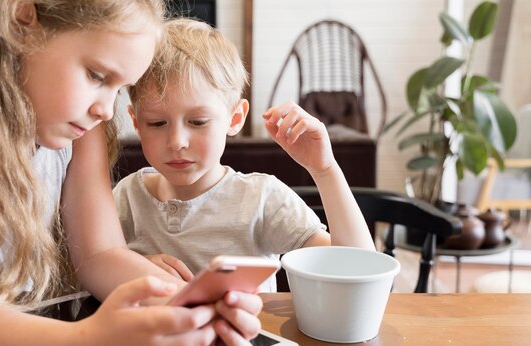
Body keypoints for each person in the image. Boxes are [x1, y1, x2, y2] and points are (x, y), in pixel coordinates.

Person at [0, 1, 262, 346]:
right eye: (96, 76)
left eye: (119, 88)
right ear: (23, 21)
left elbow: (99, 254)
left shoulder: (80, 124)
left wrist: (189, 309)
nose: (106, 111)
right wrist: (89, 340)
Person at [114, 18, 376, 291]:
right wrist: (131, 269)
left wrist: (325, 170)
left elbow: (359, 270)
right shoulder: (127, 198)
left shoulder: (262, 199)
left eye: (198, 122)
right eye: (157, 123)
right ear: (136, 122)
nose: (177, 142)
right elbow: (86, 269)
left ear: (235, 118)